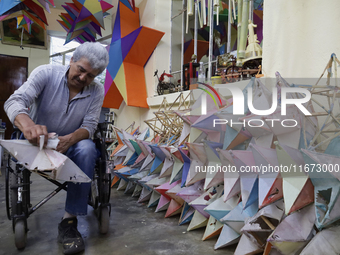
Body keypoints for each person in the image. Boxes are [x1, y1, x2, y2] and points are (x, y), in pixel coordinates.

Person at [4, 41, 109, 255]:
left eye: (90, 76)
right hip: (36, 145)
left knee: (88, 148)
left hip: (70, 148)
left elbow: (89, 126)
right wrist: (29, 126)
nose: (83, 79)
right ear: (72, 60)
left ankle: (69, 222)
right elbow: (15, 101)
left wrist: (70, 139)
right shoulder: (46, 73)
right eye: (81, 70)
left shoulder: (97, 90)